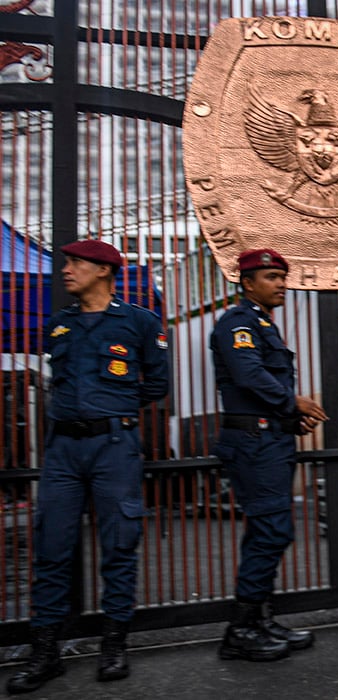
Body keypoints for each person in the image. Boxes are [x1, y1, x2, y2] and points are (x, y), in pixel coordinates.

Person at [7, 240, 169, 694]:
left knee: (119, 544)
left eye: (76, 263)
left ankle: (114, 646)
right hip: (62, 450)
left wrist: (113, 409)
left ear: (103, 270)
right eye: (67, 263)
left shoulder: (138, 322)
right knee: (51, 547)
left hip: (114, 446)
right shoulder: (59, 326)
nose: (66, 270)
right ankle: (46, 652)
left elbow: (157, 382)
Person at [210, 248, 328, 662]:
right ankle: (240, 630)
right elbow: (248, 375)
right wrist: (292, 403)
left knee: (267, 532)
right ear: (247, 282)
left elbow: (260, 388)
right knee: (272, 531)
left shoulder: (263, 325)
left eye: (283, 276)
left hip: (269, 439)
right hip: (253, 443)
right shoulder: (238, 323)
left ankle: (258, 619)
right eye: (272, 276)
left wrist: (288, 419)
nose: (281, 283)